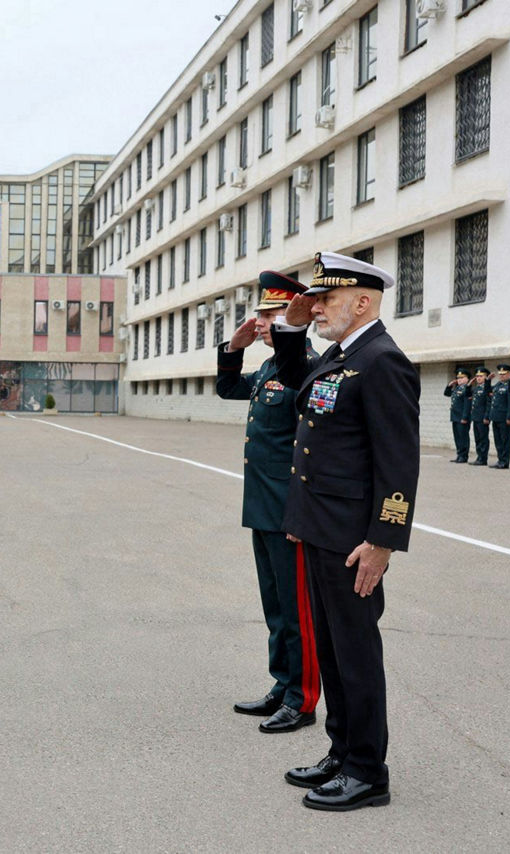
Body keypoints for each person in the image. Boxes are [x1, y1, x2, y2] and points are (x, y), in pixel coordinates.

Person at [272, 252, 420, 812]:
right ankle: (342, 751)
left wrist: (383, 541)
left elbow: (399, 463)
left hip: (355, 540)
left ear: (362, 302)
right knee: (332, 653)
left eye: (327, 301)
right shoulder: (344, 356)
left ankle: (367, 771)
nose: (317, 311)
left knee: (355, 654)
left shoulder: (382, 361)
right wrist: (291, 323)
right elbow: (295, 383)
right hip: (320, 529)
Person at [216, 271, 320, 734]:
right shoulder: (269, 369)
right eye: (260, 314)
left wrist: (303, 510)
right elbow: (227, 389)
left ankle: (302, 698)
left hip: (288, 510)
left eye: (272, 314)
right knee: (275, 605)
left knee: (298, 610)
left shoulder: (308, 368)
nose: (261, 322)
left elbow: (316, 447)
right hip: (262, 505)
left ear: (297, 317)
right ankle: (283, 684)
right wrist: (233, 349)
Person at [487, 364, 510, 469]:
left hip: (504, 418)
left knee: (505, 440)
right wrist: (488, 380)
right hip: (495, 417)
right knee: (498, 440)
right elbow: (488, 391)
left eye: (504, 374)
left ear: (509, 374)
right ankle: (500, 459)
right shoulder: (498, 385)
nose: (501, 376)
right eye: (500, 374)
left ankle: (504, 461)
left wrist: (509, 417)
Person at [445, 369, 472, 464]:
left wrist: (464, 417)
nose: (459, 379)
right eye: (458, 378)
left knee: (463, 437)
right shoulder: (457, 388)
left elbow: (467, 404)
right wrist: (449, 386)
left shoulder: (468, 389)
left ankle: (464, 456)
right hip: (455, 416)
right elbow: (447, 394)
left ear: (467, 379)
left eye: (462, 378)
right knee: (457, 437)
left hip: (462, 417)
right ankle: (459, 454)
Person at [468, 367, 491, 466]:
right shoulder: (476, 388)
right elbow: (467, 395)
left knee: (483, 438)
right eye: (477, 376)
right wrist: (469, 385)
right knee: (477, 438)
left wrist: (487, 416)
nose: (478, 378)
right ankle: (479, 456)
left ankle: (483, 458)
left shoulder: (487, 388)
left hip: (482, 417)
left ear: (486, 377)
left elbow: (489, 403)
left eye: (481, 376)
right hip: (475, 417)